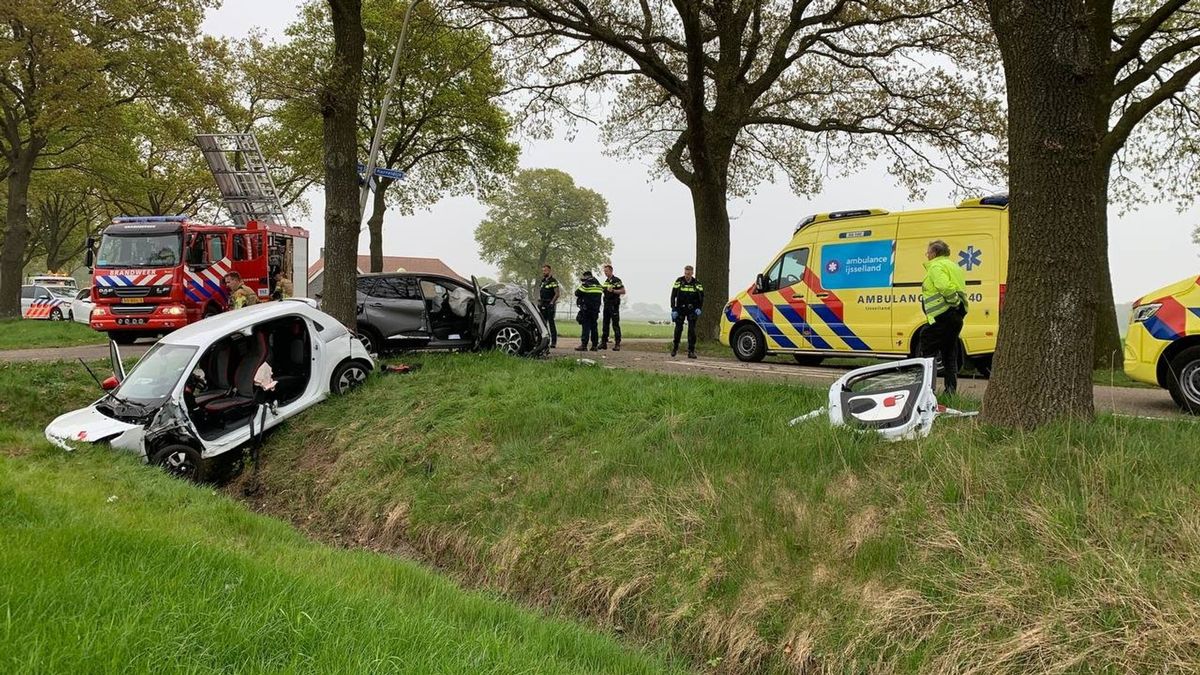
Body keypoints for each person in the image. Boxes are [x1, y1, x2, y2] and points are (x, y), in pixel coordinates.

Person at [919, 239, 968, 394]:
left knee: (927, 351)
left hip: (942, 316)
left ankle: (927, 392)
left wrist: (952, 302)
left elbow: (944, 286)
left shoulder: (936, 266)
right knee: (949, 353)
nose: (927, 255)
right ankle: (950, 391)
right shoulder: (954, 266)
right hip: (956, 317)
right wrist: (956, 304)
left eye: (928, 252)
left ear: (934, 253)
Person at [670, 265, 704, 359]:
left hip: (692, 309)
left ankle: (691, 351)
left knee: (692, 330)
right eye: (685, 273)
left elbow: (701, 297)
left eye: (689, 274)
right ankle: (675, 348)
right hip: (680, 308)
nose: (687, 275)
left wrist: (699, 308)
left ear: (692, 273)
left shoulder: (697, 283)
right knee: (678, 329)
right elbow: (673, 295)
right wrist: (673, 309)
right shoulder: (679, 281)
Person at [574, 270, 603, 351]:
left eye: (584, 277)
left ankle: (584, 345)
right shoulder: (599, 285)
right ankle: (594, 346)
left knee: (586, 327)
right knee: (594, 327)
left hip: (586, 309)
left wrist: (583, 284)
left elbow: (577, 293)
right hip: (595, 310)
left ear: (587, 276)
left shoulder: (586, 285)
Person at [599, 263, 625, 351]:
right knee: (605, 324)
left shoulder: (616, 280)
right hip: (606, 305)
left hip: (614, 305)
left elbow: (623, 291)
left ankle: (617, 343)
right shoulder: (606, 281)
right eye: (604, 271)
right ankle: (603, 342)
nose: (605, 273)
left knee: (615, 324)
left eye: (606, 271)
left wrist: (613, 290)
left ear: (611, 271)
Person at [537, 264, 560, 348]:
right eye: (543, 271)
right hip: (542, 304)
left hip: (549, 304)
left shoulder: (553, 281)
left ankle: (553, 342)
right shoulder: (543, 281)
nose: (544, 272)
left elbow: (557, 294)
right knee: (542, 324)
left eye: (545, 270)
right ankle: (544, 341)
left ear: (550, 271)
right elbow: (541, 292)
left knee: (551, 324)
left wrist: (552, 303)